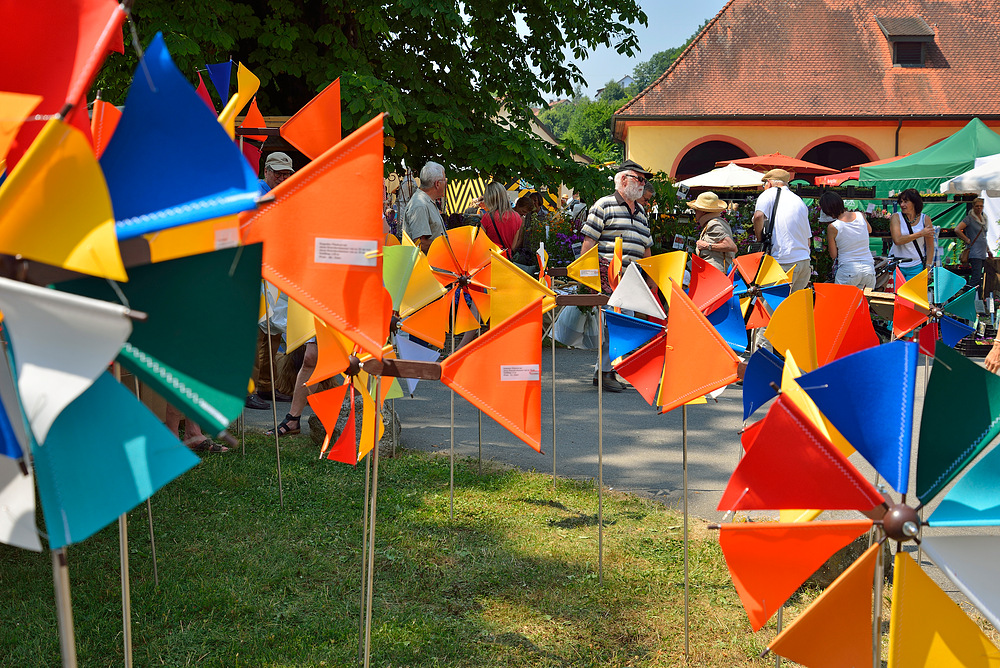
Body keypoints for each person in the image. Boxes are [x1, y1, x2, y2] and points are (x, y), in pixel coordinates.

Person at [580, 159, 654, 392]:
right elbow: (589, 243)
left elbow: (647, 248)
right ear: (624, 179)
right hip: (608, 276)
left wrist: (650, 280)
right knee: (613, 327)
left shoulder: (641, 212)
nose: (643, 184)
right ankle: (604, 373)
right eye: (639, 179)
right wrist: (587, 278)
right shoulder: (604, 205)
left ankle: (604, 372)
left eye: (644, 180)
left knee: (623, 328)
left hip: (631, 279)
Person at [248, 153, 297, 410]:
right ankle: (249, 388)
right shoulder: (257, 192)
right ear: (266, 171)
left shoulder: (287, 193)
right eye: (277, 172)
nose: (282, 177)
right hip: (257, 266)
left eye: (286, 173)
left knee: (274, 328)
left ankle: (267, 386)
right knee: (257, 331)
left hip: (277, 268)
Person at [753, 169, 811, 292]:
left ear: (768, 183)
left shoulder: (768, 194)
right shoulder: (798, 200)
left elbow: (758, 216)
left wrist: (759, 238)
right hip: (804, 262)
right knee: (792, 307)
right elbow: (808, 239)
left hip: (783, 261)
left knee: (771, 306)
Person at [820, 191, 875, 289]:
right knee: (864, 303)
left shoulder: (833, 227)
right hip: (868, 269)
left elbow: (833, 255)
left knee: (842, 303)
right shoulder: (860, 215)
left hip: (848, 270)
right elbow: (869, 230)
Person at [889, 188, 935, 281]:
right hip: (898, 266)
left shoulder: (925, 219)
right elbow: (897, 240)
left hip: (917, 266)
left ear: (914, 202)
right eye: (901, 202)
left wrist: (928, 267)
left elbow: (930, 246)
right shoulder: (896, 217)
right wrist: (920, 233)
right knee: (898, 295)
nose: (902, 205)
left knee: (914, 295)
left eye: (906, 202)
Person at [403, 162, 447, 253]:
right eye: (444, 180)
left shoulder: (426, 201)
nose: (446, 183)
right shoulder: (420, 205)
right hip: (427, 265)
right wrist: (447, 245)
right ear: (437, 184)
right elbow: (420, 243)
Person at [690, 192, 737, 273]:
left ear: (703, 212)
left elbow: (731, 247)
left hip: (716, 274)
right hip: (715, 272)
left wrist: (707, 246)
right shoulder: (716, 222)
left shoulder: (714, 223)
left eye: (696, 211)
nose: (695, 214)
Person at [956, 197, 991, 294]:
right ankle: (967, 296)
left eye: (981, 206)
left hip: (982, 251)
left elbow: (984, 236)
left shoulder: (984, 218)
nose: (979, 208)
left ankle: (978, 299)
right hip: (975, 252)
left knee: (979, 277)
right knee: (976, 277)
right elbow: (957, 229)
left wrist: (988, 250)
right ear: (973, 206)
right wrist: (967, 239)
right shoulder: (969, 219)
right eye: (977, 206)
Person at [479, 182, 524, 252]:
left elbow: (481, 244)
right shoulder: (517, 217)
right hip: (506, 260)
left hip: (491, 258)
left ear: (489, 198)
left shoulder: (487, 217)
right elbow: (513, 247)